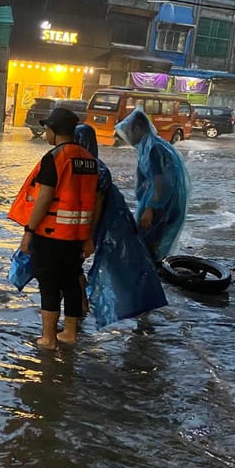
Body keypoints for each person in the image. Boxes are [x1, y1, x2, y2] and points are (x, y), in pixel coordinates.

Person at [7, 107, 98, 349]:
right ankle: (69, 332)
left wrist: (29, 230)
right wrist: (88, 236)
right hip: (77, 234)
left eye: (47, 129)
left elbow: (44, 198)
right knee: (70, 281)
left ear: (53, 131)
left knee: (48, 283)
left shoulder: (55, 158)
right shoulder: (90, 160)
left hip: (51, 233)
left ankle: (48, 338)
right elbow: (97, 202)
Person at [74, 124, 167, 328]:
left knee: (121, 266)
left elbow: (95, 204)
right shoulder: (93, 166)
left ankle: (82, 307)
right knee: (126, 265)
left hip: (106, 226)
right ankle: (85, 306)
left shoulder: (92, 169)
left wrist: (87, 237)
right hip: (110, 223)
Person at [115, 109, 190, 264]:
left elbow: (160, 181)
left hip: (158, 205)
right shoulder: (153, 145)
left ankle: (146, 281)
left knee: (146, 247)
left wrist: (150, 208)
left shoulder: (153, 148)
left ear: (137, 129)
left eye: (128, 131)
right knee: (149, 245)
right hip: (161, 202)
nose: (127, 137)